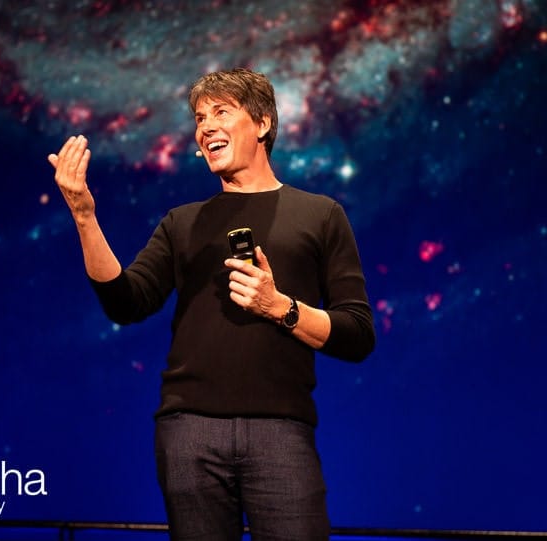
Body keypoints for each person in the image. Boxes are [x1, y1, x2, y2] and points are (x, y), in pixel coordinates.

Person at [48, 68, 375, 541]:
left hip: (281, 432)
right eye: (200, 118)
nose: (205, 127)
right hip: (189, 432)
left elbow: (358, 333)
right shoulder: (182, 223)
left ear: (262, 123)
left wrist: (279, 306)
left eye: (222, 111)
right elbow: (125, 302)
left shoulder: (321, 215)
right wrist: (84, 216)